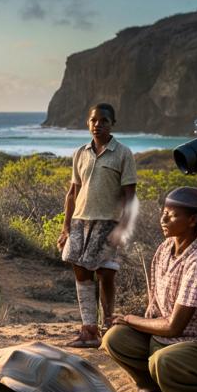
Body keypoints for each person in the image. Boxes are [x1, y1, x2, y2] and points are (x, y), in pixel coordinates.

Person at [102, 187, 197, 392]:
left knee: (162, 361)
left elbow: (174, 328)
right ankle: (150, 384)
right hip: (163, 338)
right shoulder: (164, 248)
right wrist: (133, 325)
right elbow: (154, 304)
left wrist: (131, 319)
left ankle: (194, 387)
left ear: (192, 220)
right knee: (114, 338)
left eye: (172, 215)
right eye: (164, 212)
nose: (164, 218)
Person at [59, 103, 137, 348]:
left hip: (109, 221)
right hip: (81, 221)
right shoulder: (80, 153)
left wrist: (123, 228)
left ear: (112, 124)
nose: (98, 125)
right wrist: (66, 227)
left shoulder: (123, 153)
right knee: (81, 274)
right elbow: (73, 192)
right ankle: (89, 329)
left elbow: (129, 195)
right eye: (94, 120)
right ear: (87, 122)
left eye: (104, 121)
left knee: (106, 274)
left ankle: (108, 328)